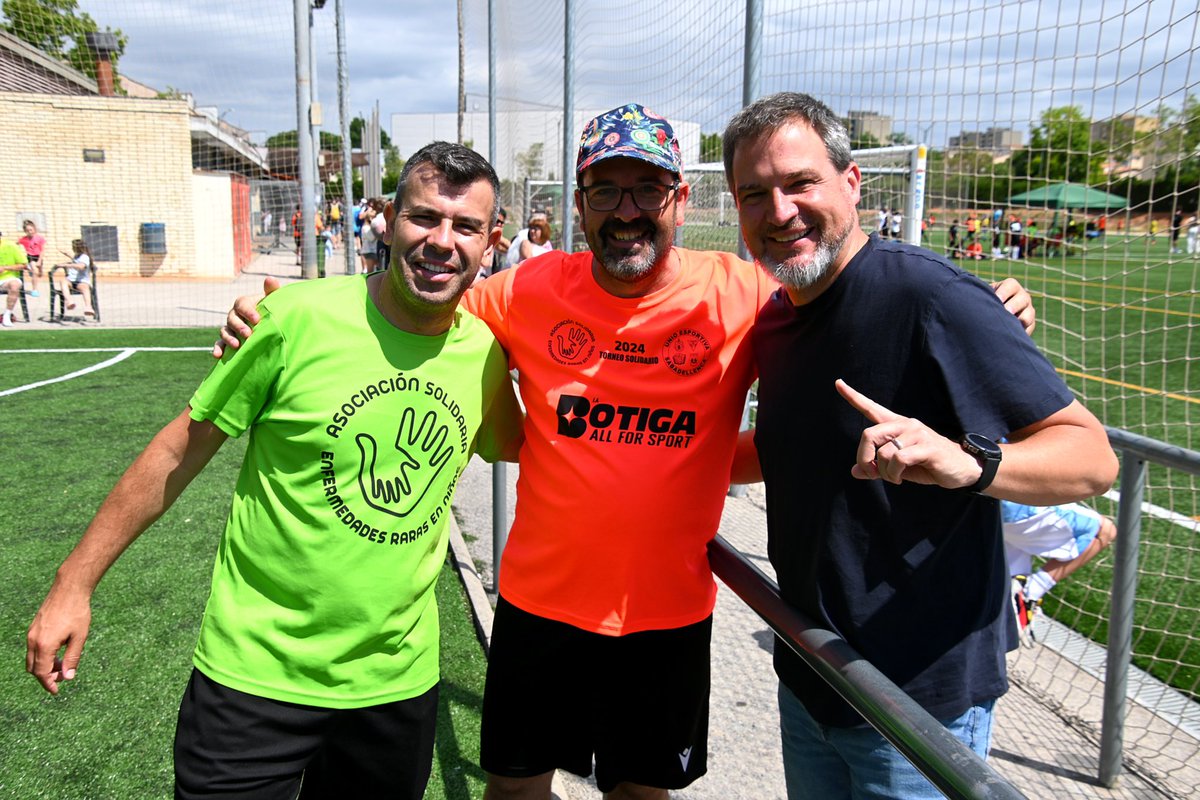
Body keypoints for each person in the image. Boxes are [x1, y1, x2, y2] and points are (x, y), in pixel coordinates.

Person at [216, 105, 1039, 800]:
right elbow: (413, 304)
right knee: (514, 785)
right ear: (579, 204)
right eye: (606, 189)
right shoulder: (525, 292)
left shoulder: (744, 292)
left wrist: (987, 300)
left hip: (666, 616)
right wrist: (277, 309)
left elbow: (852, 292)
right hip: (540, 606)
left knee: (640, 793)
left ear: (680, 199)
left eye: (647, 187)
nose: (627, 208)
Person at [26, 142, 523, 799]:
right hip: (253, 678)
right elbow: (177, 452)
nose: (442, 241)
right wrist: (74, 581)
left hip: (395, 689)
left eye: (465, 227)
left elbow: (538, 446)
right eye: (423, 218)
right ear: (387, 221)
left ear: (490, 244)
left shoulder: (483, 355)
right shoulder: (293, 320)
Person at [722, 91, 1118, 800]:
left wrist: (971, 466)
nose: (779, 211)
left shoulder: (931, 297)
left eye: (800, 183)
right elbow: (789, 447)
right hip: (813, 673)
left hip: (917, 702)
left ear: (851, 182)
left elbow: (1091, 458)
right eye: (754, 194)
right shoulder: (777, 321)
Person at [1002, 500, 1117, 645]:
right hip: (1018, 507)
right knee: (1105, 530)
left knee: (1012, 554)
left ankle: (1012, 589)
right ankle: (1030, 591)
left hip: (981, 506)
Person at [54, 238, 95, 318]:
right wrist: (66, 253)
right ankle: (69, 301)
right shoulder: (77, 256)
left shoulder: (85, 257)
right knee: (63, 281)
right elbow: (75, 260)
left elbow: (81, 266)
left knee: (85, 288)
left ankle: (88, 307)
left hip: (81, 281)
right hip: (71, 280)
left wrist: (66, 265)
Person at [0, 229, 27, 327]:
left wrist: (5, 268)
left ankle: (7, 315)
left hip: (7, 279)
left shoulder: (10, 246)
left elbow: (23, 265)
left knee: (15, 285)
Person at [17, 219, 45, 296]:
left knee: (39, 274)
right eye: (28, 230)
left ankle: (32, 270)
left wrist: (39, 261)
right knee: (35, 272)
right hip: (30, 256)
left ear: (34, 229)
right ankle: (34, 290)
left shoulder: (39, 238)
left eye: (31, 230)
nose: (30, 232)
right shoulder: (23, 239)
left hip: (38, 256)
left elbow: (42, 250)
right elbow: (16, 244)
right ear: (25, 231)